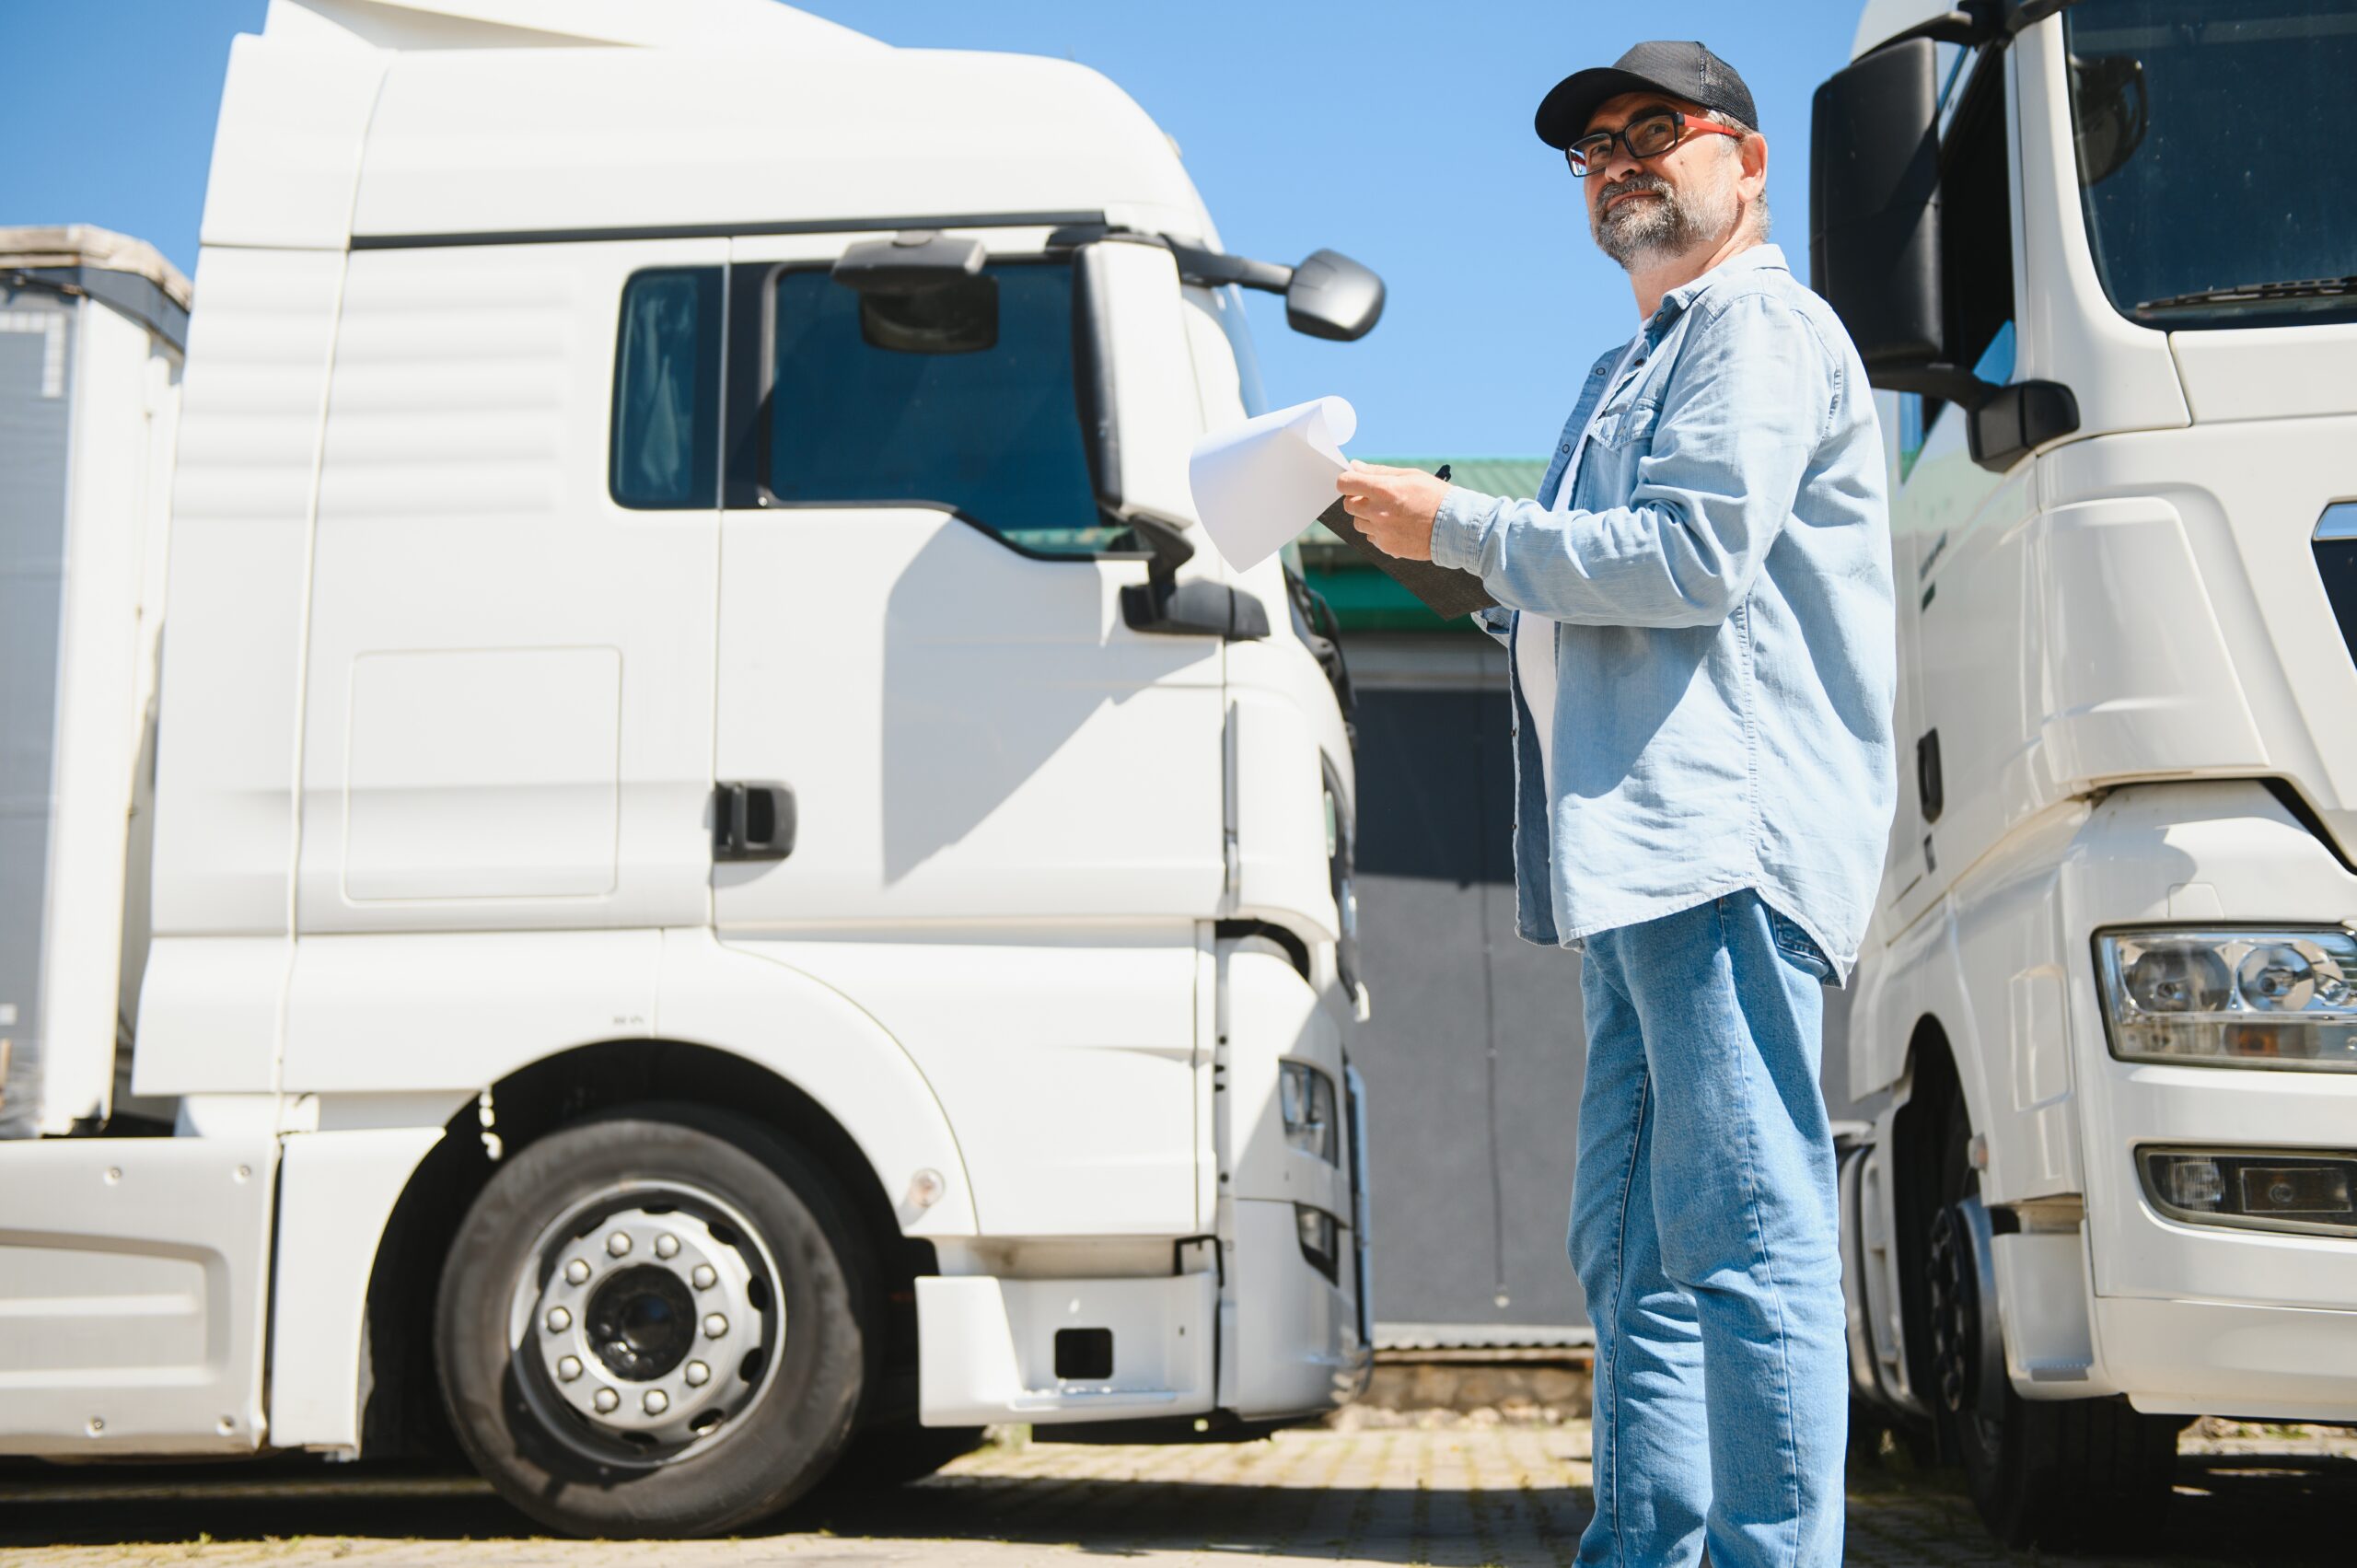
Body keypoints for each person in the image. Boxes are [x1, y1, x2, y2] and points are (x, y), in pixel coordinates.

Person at [1337, 40, 1897, 1568]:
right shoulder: (1626, 370)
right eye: (1594, 149)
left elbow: (1691, 556)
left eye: (1658, 130)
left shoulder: (1760, 330)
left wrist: (1461, 517)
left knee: (1747, 1243)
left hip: (1723, 842)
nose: (1623, 160)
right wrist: (1424, 550)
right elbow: (1576, 599)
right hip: (1639, 864)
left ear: (1748, 161)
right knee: (1635, 1257)